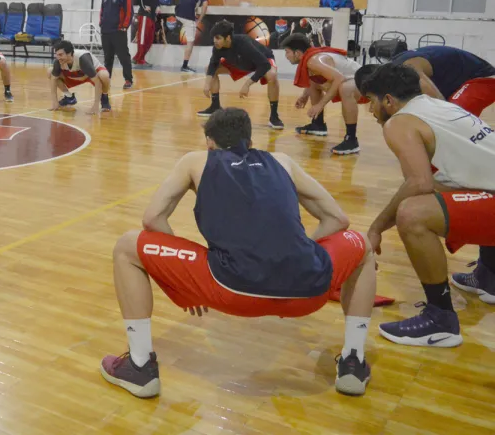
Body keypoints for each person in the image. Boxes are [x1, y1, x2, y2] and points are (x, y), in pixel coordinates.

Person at [100, 108, 376, 398]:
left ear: (209, 142)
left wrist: (179, 280)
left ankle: (140, 366)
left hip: (232, 290)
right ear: (250, 140)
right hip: (308, 290)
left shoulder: (195, 161)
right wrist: (299, 251)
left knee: (127, 246)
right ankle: (353, 360)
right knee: (362, 246)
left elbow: (153, 219)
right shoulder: (282, 161)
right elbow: (338, 221)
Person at [360, 64, 495, 348]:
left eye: (371, 102)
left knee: (412, 213)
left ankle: (441, 319)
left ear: (388, 100)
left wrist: (376, 228)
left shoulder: (399, 121)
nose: (370, 111)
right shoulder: (437, 106)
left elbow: (418, 183)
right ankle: (489, 277)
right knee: (444, 187)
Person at [282, 33, 364, 155]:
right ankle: (318, 125)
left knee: (345, 89)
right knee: (314, 81)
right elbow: (315, 80)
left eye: (287, 52)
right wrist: (305, 96)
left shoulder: (313, 61)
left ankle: (351, 140)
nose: (286, 56)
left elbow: (339, 79)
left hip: (362, 81)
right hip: (350, 79)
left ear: (297, 53)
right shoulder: (310, 59)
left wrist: (320, 105)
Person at [359, 46, 495, 118]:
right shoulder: (396, 74)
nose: (370, 108)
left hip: (482, 79)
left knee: (451, 116)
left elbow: (439, 103)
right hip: (456, 83)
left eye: (371, 100)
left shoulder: (408, 67)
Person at [201, 20, 283, 129]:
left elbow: (264, 65)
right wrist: (207, 84)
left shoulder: (243, 43)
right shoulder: (217, 47)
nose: (215, 41)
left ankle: (274, 116)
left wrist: (247, 84)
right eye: (214, 38)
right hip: (240, 63)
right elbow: (213, 64)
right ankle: (215, 106)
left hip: (262, 60)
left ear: (228, 38)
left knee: (272, 76)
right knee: (208, 69)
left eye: (218, 38)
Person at [49, 40, 111, 114]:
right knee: (50, 72)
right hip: (75, 75)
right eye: (57, 55)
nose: (58, 57)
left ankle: (104, 97)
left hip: (91, 74)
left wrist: (96, 105)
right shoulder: (58, 61)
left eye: (61, 55)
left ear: (69, 54)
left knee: (104, 75)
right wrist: (55, 101)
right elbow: (53, 79)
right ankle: (69, 97)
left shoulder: (83, 58)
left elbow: (97, 82)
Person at [100, 0, 134, 90]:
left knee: (123, 56)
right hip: (106, 31)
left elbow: (129, 11)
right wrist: (101, 23)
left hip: (118, 31)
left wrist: (124, 26)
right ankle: (106, 79)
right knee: (107, 57)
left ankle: (128, 79)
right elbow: (102, 11)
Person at [176, 0, 209, 73]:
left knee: (189, 39)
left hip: (177, 13)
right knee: (190, 42)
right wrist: (200, 19)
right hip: (188, 17)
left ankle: (184, 65)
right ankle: (185, 66)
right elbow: (205, 4)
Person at [133, 0, 159, 67]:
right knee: (143, 38)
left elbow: (155, 0)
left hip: (151, 17)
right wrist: (144, 7)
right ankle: (139, 59)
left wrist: (158, 6)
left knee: (149, 39)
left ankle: (138, 57)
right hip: (144, 16)